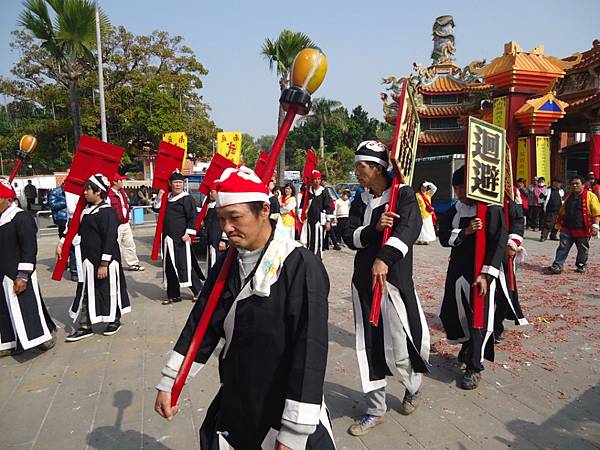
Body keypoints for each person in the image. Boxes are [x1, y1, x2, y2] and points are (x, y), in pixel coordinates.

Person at [154, 166, 335, 449]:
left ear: (264, 210)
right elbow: (201, 325)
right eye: (222, 219)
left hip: (282, 404)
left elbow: (310, 349)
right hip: (237, 397)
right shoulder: (226, 266)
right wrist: (171, 382)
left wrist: (293, 433)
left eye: (235, 217)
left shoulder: (301, 266)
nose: (227, 227)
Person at [343, 141, 429, 436]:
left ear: (377, 168)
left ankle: (412, 387)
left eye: (360, 167)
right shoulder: (360, 199)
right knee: (368, 347)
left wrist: (384, 258)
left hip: (393, 281)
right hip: (364, 284)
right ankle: (376, 409)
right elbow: (348, 234)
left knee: (401, 344)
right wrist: (374, 229)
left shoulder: (404, 195)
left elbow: (409, 230)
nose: (356, 172)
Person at [438, 165, 507, 390]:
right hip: (458, 270)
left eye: (463, 188)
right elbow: (444, 238)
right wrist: (466, 231)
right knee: (453, 314)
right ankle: (466, 347)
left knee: (479, 319)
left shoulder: (492, 210)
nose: (459, 193)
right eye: (456, 188)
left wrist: (487, 275)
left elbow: (498, 244)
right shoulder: (452, 212)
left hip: (482, 274)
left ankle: (474, 367)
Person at [58, 174, 131, 341]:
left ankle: (113, 319)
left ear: (98, 191)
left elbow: (110, 238)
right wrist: (63, 242)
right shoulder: (85, 211)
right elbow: (74, 228)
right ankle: (85, 325)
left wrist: (104, 263)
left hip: (106, 261)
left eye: (88, 189)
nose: (84, 193)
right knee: (85, 292)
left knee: (108, 291)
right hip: (87, 261)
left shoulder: (107, 212)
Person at [0, 178, 56, 356]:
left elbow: (29, 249)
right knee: (4, 311)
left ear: (7, 199)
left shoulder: (21, 218)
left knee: (28, 306)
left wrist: (23, 275)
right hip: (2, 275)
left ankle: (42, 337)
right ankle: (10, 342)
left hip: (17, 273)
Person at [153, 170, 203, 305]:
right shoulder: (166, 198)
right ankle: (173, 295)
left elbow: (193, 216)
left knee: (185, 264)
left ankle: (198, 290)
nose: (178, 185)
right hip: (168, 239)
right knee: (169, 266)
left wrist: (188, 233)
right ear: (170, 183)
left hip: (181, 238)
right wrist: (159, 197)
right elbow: (157, 209)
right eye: (175, 182)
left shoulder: (186, 198)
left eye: (180, 182)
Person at [494, 188, 528, 343]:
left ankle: (496, 327)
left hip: (503, 257)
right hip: (481, 255)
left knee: (504, 293)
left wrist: (512, 243)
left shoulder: (510, 203)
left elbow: (518, 222)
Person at [550, 175, 600, 274]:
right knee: (562, 247)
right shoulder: (569, 196)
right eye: (573, 184)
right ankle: (557, 265)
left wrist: (595, 226)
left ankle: (581, 265)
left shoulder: (590, 196)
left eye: (577, 183)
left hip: (582, 229)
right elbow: (562, 211)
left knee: (582, 250)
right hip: (567, 228)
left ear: (583, 185)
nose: (574, 186)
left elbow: (596, 213)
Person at [108, 173, 144, 271]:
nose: (122, 182)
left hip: (125, 222)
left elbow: (126, 204)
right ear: (115, 182)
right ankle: (114, 264)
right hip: (116, 224)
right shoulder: (109, 194)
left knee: (130, 244)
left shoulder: (122, 192)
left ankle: (133, 263)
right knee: (115, 245)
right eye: (120, 180)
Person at [299, 170, 334, 259]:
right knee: (308, 240)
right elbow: (302, 205)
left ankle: (317, 258)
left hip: (319, 221)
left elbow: (329, 207)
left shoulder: (323, 191)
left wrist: (328, 221)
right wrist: (301, 215)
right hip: (309, 221)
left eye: (319, 179)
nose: (317, 181)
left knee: (318, 241)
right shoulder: (308, 192)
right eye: (315, 179)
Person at [48, 183, 78, 280]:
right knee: (66, 244)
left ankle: (70, 265)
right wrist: (67, 202)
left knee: (72, 245)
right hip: (62, 219)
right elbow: (52, 204)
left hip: (72, 220)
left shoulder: (73, 193)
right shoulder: (56, 192)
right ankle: (65, 264)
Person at [203, 189, 227, 273]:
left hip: (218, 239)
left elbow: (226, 222)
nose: (210, 194)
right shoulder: (209, 205)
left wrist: (223, 240)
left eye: (212, 192)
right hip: (211, 239)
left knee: (218, 262)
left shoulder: (222, 206)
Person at [416, 180, 437, 244]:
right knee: (421, 228)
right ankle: (420, 240)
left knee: (427, 228)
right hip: (420, 213)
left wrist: (429, 183)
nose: (423, 188)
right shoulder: (417, 195)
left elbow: (434, 188)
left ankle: (426, 240)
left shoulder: (428, 194)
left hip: (428, 214)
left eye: (425, 187)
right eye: (422, 187)